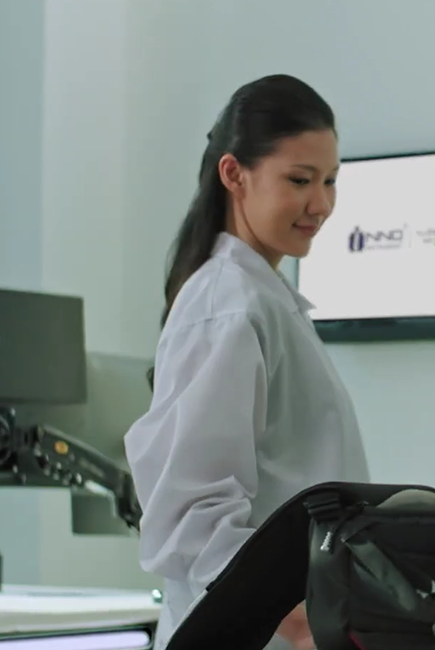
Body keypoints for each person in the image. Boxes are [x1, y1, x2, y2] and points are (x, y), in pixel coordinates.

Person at [123, 74, 371, 650]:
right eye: (300, 180)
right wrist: (299, 623)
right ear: (234, 174)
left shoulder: (261, 299)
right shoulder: (227, 306)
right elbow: (192, 512)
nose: (322, 204)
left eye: (330, 180)